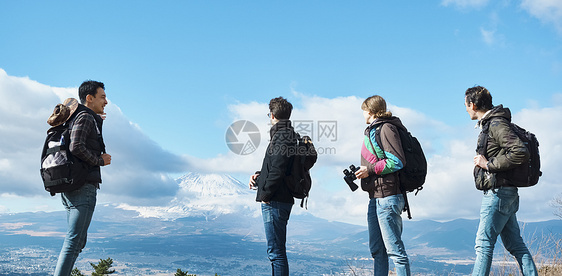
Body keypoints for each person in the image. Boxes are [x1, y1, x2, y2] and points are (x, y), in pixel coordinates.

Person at [464, 85, 538, 276]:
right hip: (507, 193)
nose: (465, 109)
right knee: (515, 244)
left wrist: (488, 164)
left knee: (483, 244)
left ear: (472, 104)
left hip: (498, 193)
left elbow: (520, 152)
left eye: (465, 105)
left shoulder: (496, 124)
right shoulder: (492, 123)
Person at [54, 80, 112, 276]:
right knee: (73, 242)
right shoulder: (85, 117)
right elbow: (76, 146)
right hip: (83, 186)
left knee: (78, 241)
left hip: (70, 185)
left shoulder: (78, 117)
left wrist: (97, 120)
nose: (106, 101)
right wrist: (99, 161)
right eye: (102, 97)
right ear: (90, 97)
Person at [355, 95, 411, 276]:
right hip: (375, 197)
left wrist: (369, 170)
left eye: (364, 110)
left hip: (388, 196)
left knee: (395, 251)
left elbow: (397, 161)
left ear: (370, 111)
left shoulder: (386, 128)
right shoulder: (372, 130)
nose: (362, 113)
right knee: (377, 250)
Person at [249, 97, 296, 276]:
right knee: (276, 251)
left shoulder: (282, 136)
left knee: (275, 252)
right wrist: (259, 177)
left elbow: (278, 169)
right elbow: (276, 167)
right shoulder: (285, 134)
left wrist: (265, 194)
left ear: (273, 115)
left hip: (275, 200)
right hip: (279, 198)